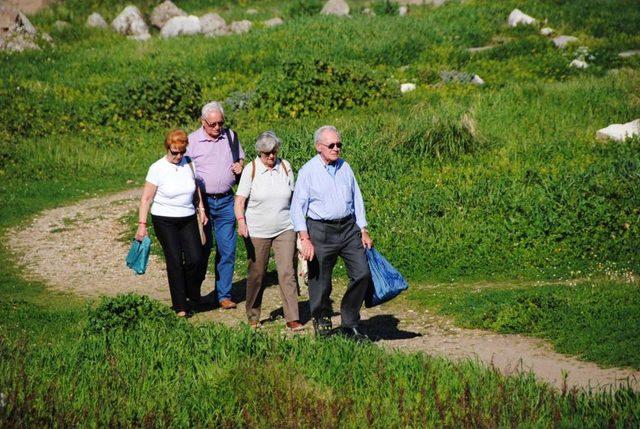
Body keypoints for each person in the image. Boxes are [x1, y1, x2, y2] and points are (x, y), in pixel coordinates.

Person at [291, 125, 373, 340]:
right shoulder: (308, 171)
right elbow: (297, 208)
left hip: (348, 228)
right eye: (331, 145)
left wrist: (363, 229)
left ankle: (350, 321)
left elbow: (357, 198)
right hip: (320, 230)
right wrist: (304, 238)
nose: (336, 148)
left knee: (362, 273)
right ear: (319, 147)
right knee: (320, 281)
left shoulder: (345, 167)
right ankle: (322, 318)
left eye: (339, 144)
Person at [234, 131, 303, 331]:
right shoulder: (251, 169)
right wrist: (241, 222)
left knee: (287, 272)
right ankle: (253, 315)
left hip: (285, 227)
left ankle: (292, 316)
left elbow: (295, 197)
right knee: (257, 273)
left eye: (273, 152)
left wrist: (300, 226)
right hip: (258, 230)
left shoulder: (285, 166)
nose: (271, 156)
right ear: (259, 153)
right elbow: (239, 201)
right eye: (266, 153)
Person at [136, 129, 207, 317]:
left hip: (188, 216)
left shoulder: (189, 164)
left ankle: (190, 293)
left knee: (196, 258)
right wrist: (142, 225)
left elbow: (196, 188)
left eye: (182, 152)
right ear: (167, 148)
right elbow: (146, 199)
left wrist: (202, 210)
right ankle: (180, 306)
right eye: (174, 152)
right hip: (164, 219)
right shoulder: (157, 168)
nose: (178, 156)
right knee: (174, 260)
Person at [187, 102, 244, 309]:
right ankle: (193, 294)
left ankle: (224, 295)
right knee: (201, 250)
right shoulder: (192, 141)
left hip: (227, 200)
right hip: (202, 204)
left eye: (221, 123)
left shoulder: (230, 136)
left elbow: (240, 160)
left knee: (227, 250)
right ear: (203, 122)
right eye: (213, 124)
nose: (217, 127)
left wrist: (240, 166)